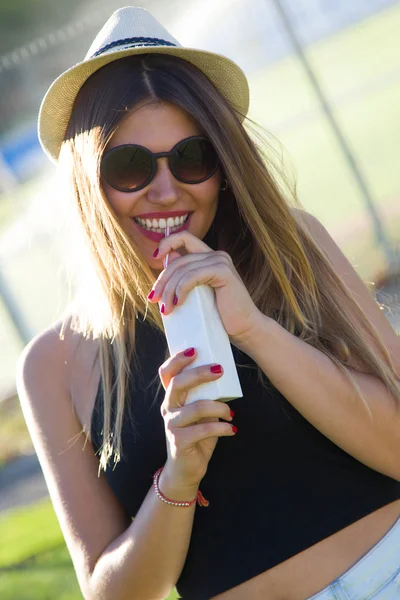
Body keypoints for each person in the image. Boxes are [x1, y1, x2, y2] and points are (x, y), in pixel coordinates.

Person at [16, 6, 400, 600]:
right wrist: (178, 474)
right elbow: (116, 594)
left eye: (193, 158)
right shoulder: (53, 363)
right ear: (87, 181)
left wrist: (256, 331)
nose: (166, 190)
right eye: (129, 166)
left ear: (225, 165)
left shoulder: (291, 248)